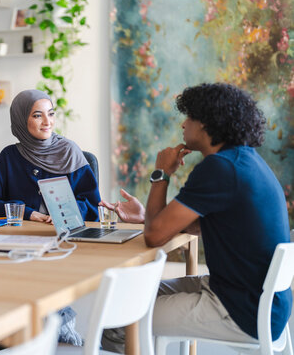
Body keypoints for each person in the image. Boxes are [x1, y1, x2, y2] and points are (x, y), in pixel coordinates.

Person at [102, 83, 292, 351]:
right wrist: (148, 217)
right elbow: (196, 225)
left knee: (119, 317)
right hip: (259, 301)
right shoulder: (245, 160)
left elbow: (154, 237)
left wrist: (162, 174)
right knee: (122, 296)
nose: (183, 125)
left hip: (242, 310)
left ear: (206, 123)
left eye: (189, 117)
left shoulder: (219, 168)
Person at [0, 89, 101, 223]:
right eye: (37, 116)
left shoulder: (69, 152)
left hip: (65, 236)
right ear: (21, 119)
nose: (47, 122)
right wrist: (26, 212)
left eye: (51, 114)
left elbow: (92, 205)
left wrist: (66, 214)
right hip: (21, 236)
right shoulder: (9, 157)